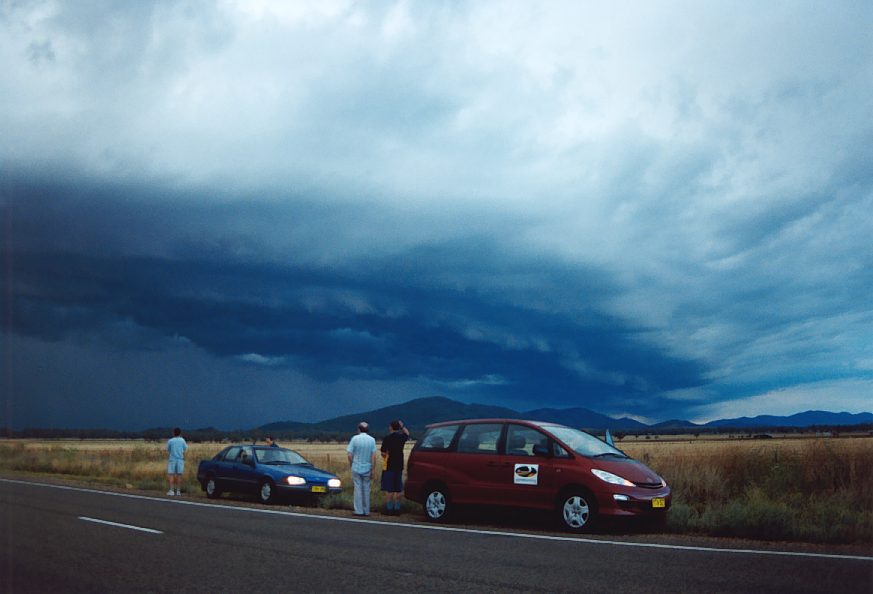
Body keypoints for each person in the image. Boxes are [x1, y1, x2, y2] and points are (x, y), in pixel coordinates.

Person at [346, 421, 377, 516]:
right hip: (367, 467)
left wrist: (352, 463)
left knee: (358, 489)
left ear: (359, 429)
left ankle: (358, 510)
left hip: (356, 466)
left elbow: (349, 454)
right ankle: (366, 510)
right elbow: (373, 456)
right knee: (366, 489)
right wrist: (373, 468)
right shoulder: (372, 440)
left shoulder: (355, 439)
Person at [380, 419, 411, 515]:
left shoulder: (387, 438)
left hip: (389, 465)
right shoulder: (401, 437)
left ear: (390, 427)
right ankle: (397, 508)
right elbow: (407, 434)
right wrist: (402, 426)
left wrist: (386, 455)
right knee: (398, 488)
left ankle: (389, 509)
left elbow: (383, 453)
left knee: (390, 489)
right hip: (399, 465)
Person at [166, 427, 188, 496]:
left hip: (172, 459)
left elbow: (168, 450)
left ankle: (171, 490)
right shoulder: (182, 440)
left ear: (173, 433)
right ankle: (178, 491)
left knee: (171, 475)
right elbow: (185, 449)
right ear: (180, 433)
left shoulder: (170, 441)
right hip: (180, 459)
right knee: (179, 475)